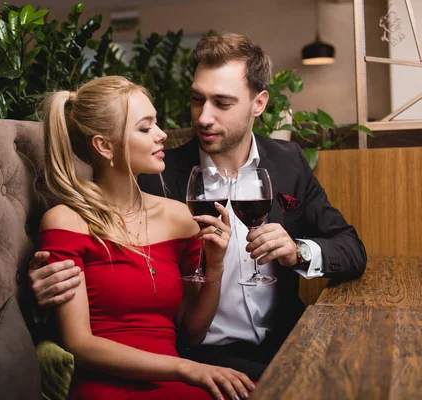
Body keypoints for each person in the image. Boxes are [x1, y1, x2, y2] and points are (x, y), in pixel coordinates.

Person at [30, 33, 367, 381]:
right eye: (196, 100)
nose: (203, 117)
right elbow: (97, 270)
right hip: (199, 354)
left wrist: (297, 251)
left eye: (222, 103)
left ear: (259, 103)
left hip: (286, 343)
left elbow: (351, 248)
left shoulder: (289, 163)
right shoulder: (150, 178)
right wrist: (44, 292)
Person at [36, 75, 255, 400]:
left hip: (177, 381)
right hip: (105, 385)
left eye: (156, 123)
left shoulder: (179, 217)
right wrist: (185, 369)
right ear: (104, 145)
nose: (161, 135)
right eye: (145, 127)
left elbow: (191, 330)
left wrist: (215, 267)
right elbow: (78, 344)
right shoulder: (66, 221)